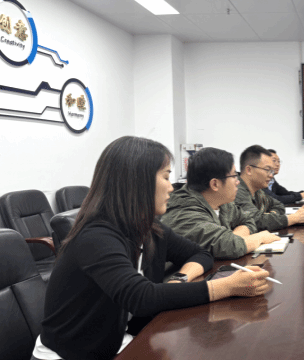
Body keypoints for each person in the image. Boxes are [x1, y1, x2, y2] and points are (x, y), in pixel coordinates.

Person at [34, 137, 271, 360]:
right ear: (138, 182)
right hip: (71, 354)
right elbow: (141, 297)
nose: (171, 188)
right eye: (166, 177)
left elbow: (200, 253)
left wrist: (180, 278)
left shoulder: (148, 228)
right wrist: (227, 286)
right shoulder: (96, 236)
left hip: (118, 340)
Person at [161, 147, 281, 259]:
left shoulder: (222, 203)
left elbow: (248, 220)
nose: (238, 182)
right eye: (234, 176)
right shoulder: (184, 211)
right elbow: (226, 246)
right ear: (215, 184)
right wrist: (260, 237)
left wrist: (235, 237)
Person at [235, 145, 304, 231]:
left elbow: (278, 205)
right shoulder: (236, 190)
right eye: (267, 169)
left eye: (271, 171)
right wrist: (293, 218)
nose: (271, 175)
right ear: (249, 170)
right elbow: (256, 221)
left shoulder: (258, 190)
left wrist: (272, 215)